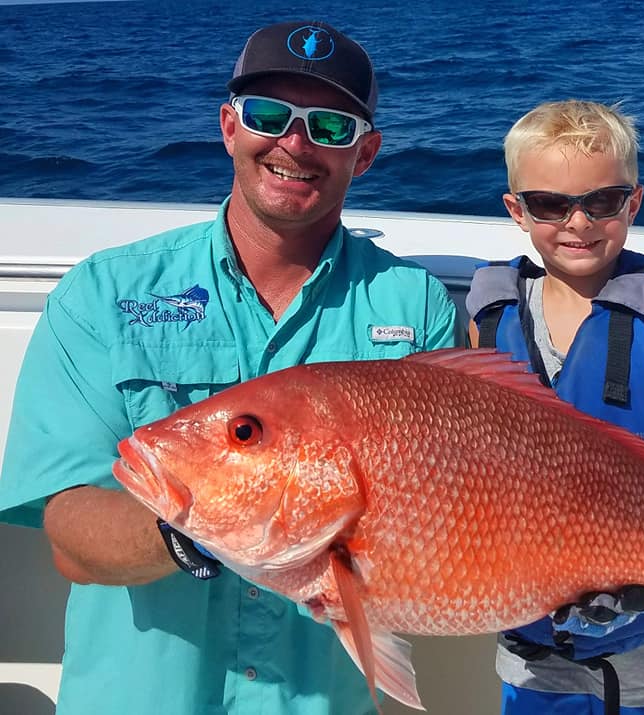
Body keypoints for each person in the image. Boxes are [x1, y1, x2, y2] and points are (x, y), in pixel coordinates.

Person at [0, 20, 461, 715]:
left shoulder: (415, 306)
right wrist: (201, 527)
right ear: (228, 127)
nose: (294, 144)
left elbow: (456, 515)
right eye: (268, 116)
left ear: (364, 154)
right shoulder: (105, 294)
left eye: (330, 127)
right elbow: (70, 535)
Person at [466, 100, 644, 714]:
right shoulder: (491, 314)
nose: (579, 223)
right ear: (517, 210)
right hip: (532, 637)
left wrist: (618, 523)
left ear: (633, 203)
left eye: (603, 202)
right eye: (550, 205)